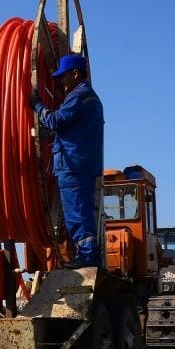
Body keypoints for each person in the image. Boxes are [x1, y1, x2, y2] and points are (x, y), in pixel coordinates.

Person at [29, 54, 104, 268]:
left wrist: (38, 106)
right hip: (82, 163)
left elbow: (55, 120)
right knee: (82, 211)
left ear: (76, 73)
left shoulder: (78, 96)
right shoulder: (91, 98)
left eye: (63, 77)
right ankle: (88, 255)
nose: (61, 82)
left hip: (72, 165)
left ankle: (88, 257)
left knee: (77, 212)